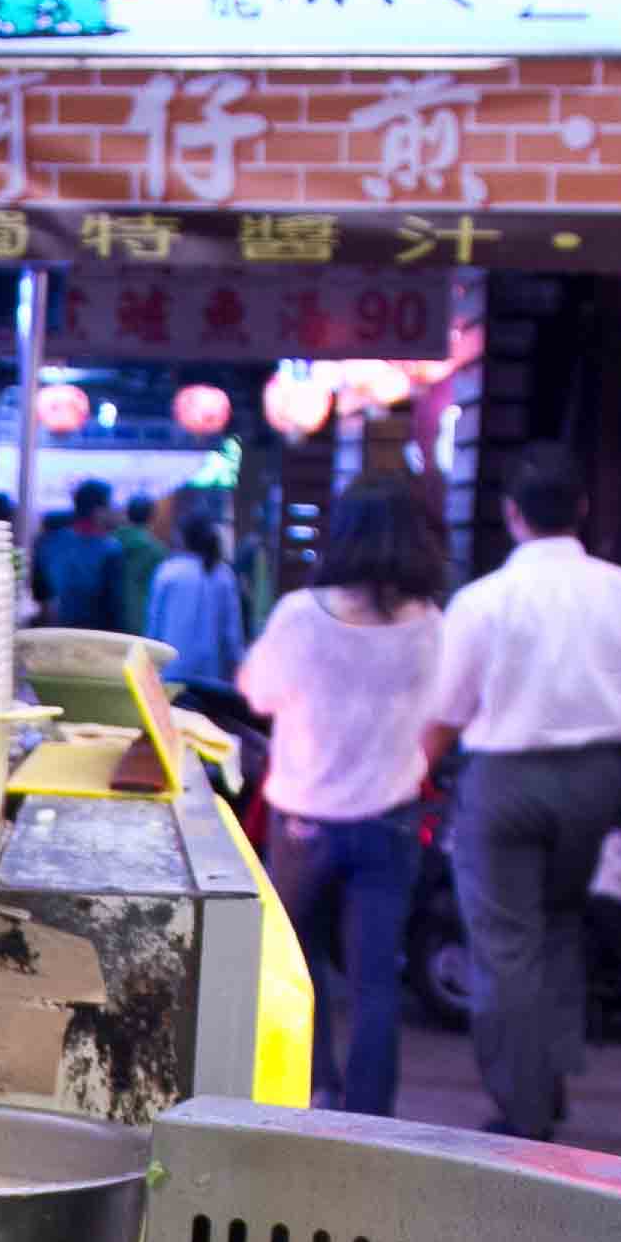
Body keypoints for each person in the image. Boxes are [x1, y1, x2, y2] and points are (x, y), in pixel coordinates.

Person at [420, 444, 621, 1141]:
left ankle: (523, 1109)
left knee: (506, 945)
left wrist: (405, 778)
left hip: (505, 783)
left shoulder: (483, 601)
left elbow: (444, 715)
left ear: (512, 514)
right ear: (582, 510)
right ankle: (553, 1081)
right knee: (561, 925)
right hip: (598, 781)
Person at [240, 477, 449, 1118]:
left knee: (296, 966)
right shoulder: (431, 624)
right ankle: (368, 1119)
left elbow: (257, 692)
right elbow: (444, 708)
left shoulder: (302, 615)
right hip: (391, 819)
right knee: (375, 981)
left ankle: (314, 1086)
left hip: (304, 820)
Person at [145, 514, 245, 689]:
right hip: (212, 674)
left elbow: (154, 625)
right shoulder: (223, 575)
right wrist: (236, 666)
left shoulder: (168, 572)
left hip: (172, 671)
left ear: (183, 537)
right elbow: (231, 633)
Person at [31, 478, 119, 629]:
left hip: (52, 631)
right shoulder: (110, 550)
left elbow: (39, 593)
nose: (113, 511)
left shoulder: (49, 542)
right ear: (98, 511)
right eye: (109, 506)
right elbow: (113, 609)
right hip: (93, 635)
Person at [105, 488, 167, 641]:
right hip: (140, 621)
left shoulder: (108, 542)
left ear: (127, 513)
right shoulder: (157, 551)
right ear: (151, 516)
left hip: (107, 619)